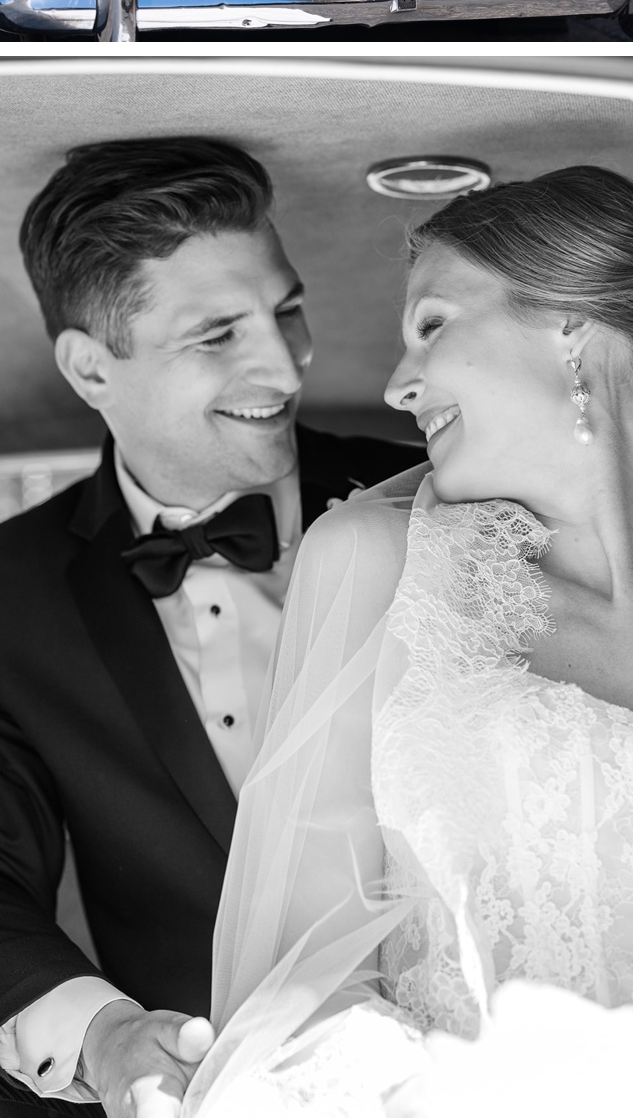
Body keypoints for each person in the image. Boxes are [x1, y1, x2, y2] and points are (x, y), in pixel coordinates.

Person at [182, 167, 633, 1114]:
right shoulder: (377, 561)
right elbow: (298, 982)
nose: (396, 386)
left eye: (432, 325)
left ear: (570, 324)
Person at [0, 139, 420, 1117]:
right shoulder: (11, 597)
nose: (284, 361)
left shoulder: (440, 499)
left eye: (284, 310)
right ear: (90, 367)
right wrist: (101, 1033)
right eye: (217, 333)